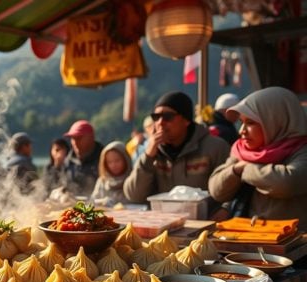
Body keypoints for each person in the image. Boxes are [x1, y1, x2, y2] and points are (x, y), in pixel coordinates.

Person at [208, 87, 307, 228]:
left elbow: (287, 183)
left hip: (293, 244)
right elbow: (216, 189)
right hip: (249, 241)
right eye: (241, 122)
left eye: (250, 123)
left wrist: (246, 168)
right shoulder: (243, 150)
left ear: (275, 121)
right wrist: (236, 169)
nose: (242, 130)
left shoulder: (301, 150)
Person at [124, 91, 230, 213]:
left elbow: (232, 190)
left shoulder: (215, 147)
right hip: (163, 226)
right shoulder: (152, 152)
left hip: (206, 225)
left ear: (186, 120)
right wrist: (148, 156)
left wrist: (225, 209)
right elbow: (134, 196)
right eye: (156, 117)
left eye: (168, 116)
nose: (160, 122)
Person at [63, 120, 104, 196]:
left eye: (79, 138)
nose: (75, 142)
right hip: (72, 204)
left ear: (91, 137)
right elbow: (64, 184)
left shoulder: (104, 157)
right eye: (72, 138)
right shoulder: (69, 160)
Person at [90, 141, 133, 207]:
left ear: (125, 159)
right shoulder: (102, 181)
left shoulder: (132, 180)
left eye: (117, 160)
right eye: (109, 162)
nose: (113, 165)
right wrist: (103, 201)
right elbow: (93, 201)